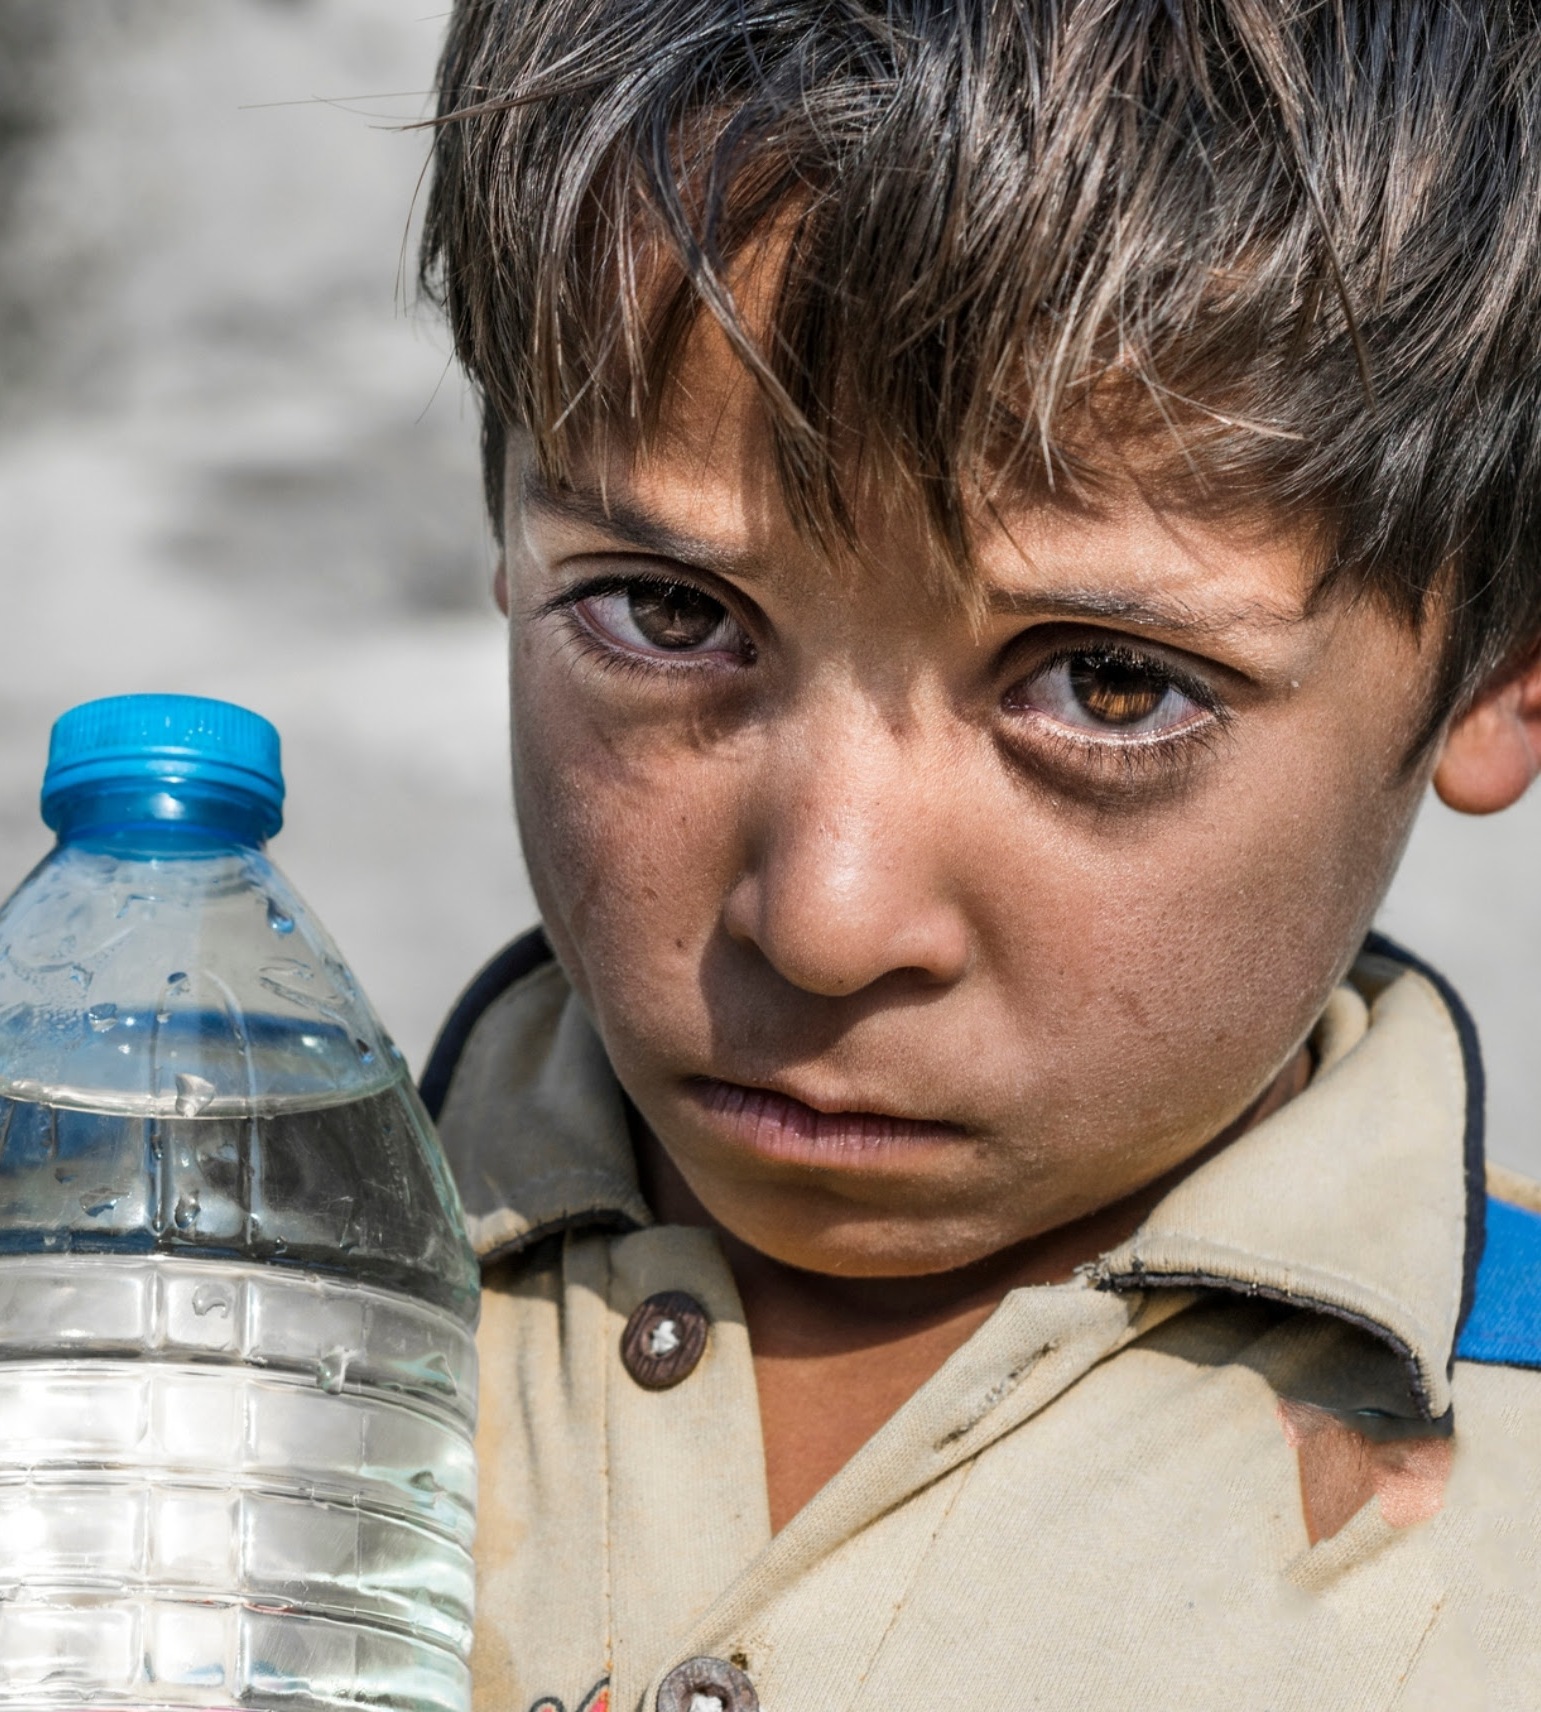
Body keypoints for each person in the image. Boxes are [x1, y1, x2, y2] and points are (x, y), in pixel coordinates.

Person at [407, 2, 1541, 1705]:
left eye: (1107, 682)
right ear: (505, 522)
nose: (825, 922)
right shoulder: (137, 1313)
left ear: (1502, 667)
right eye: (668, 611)